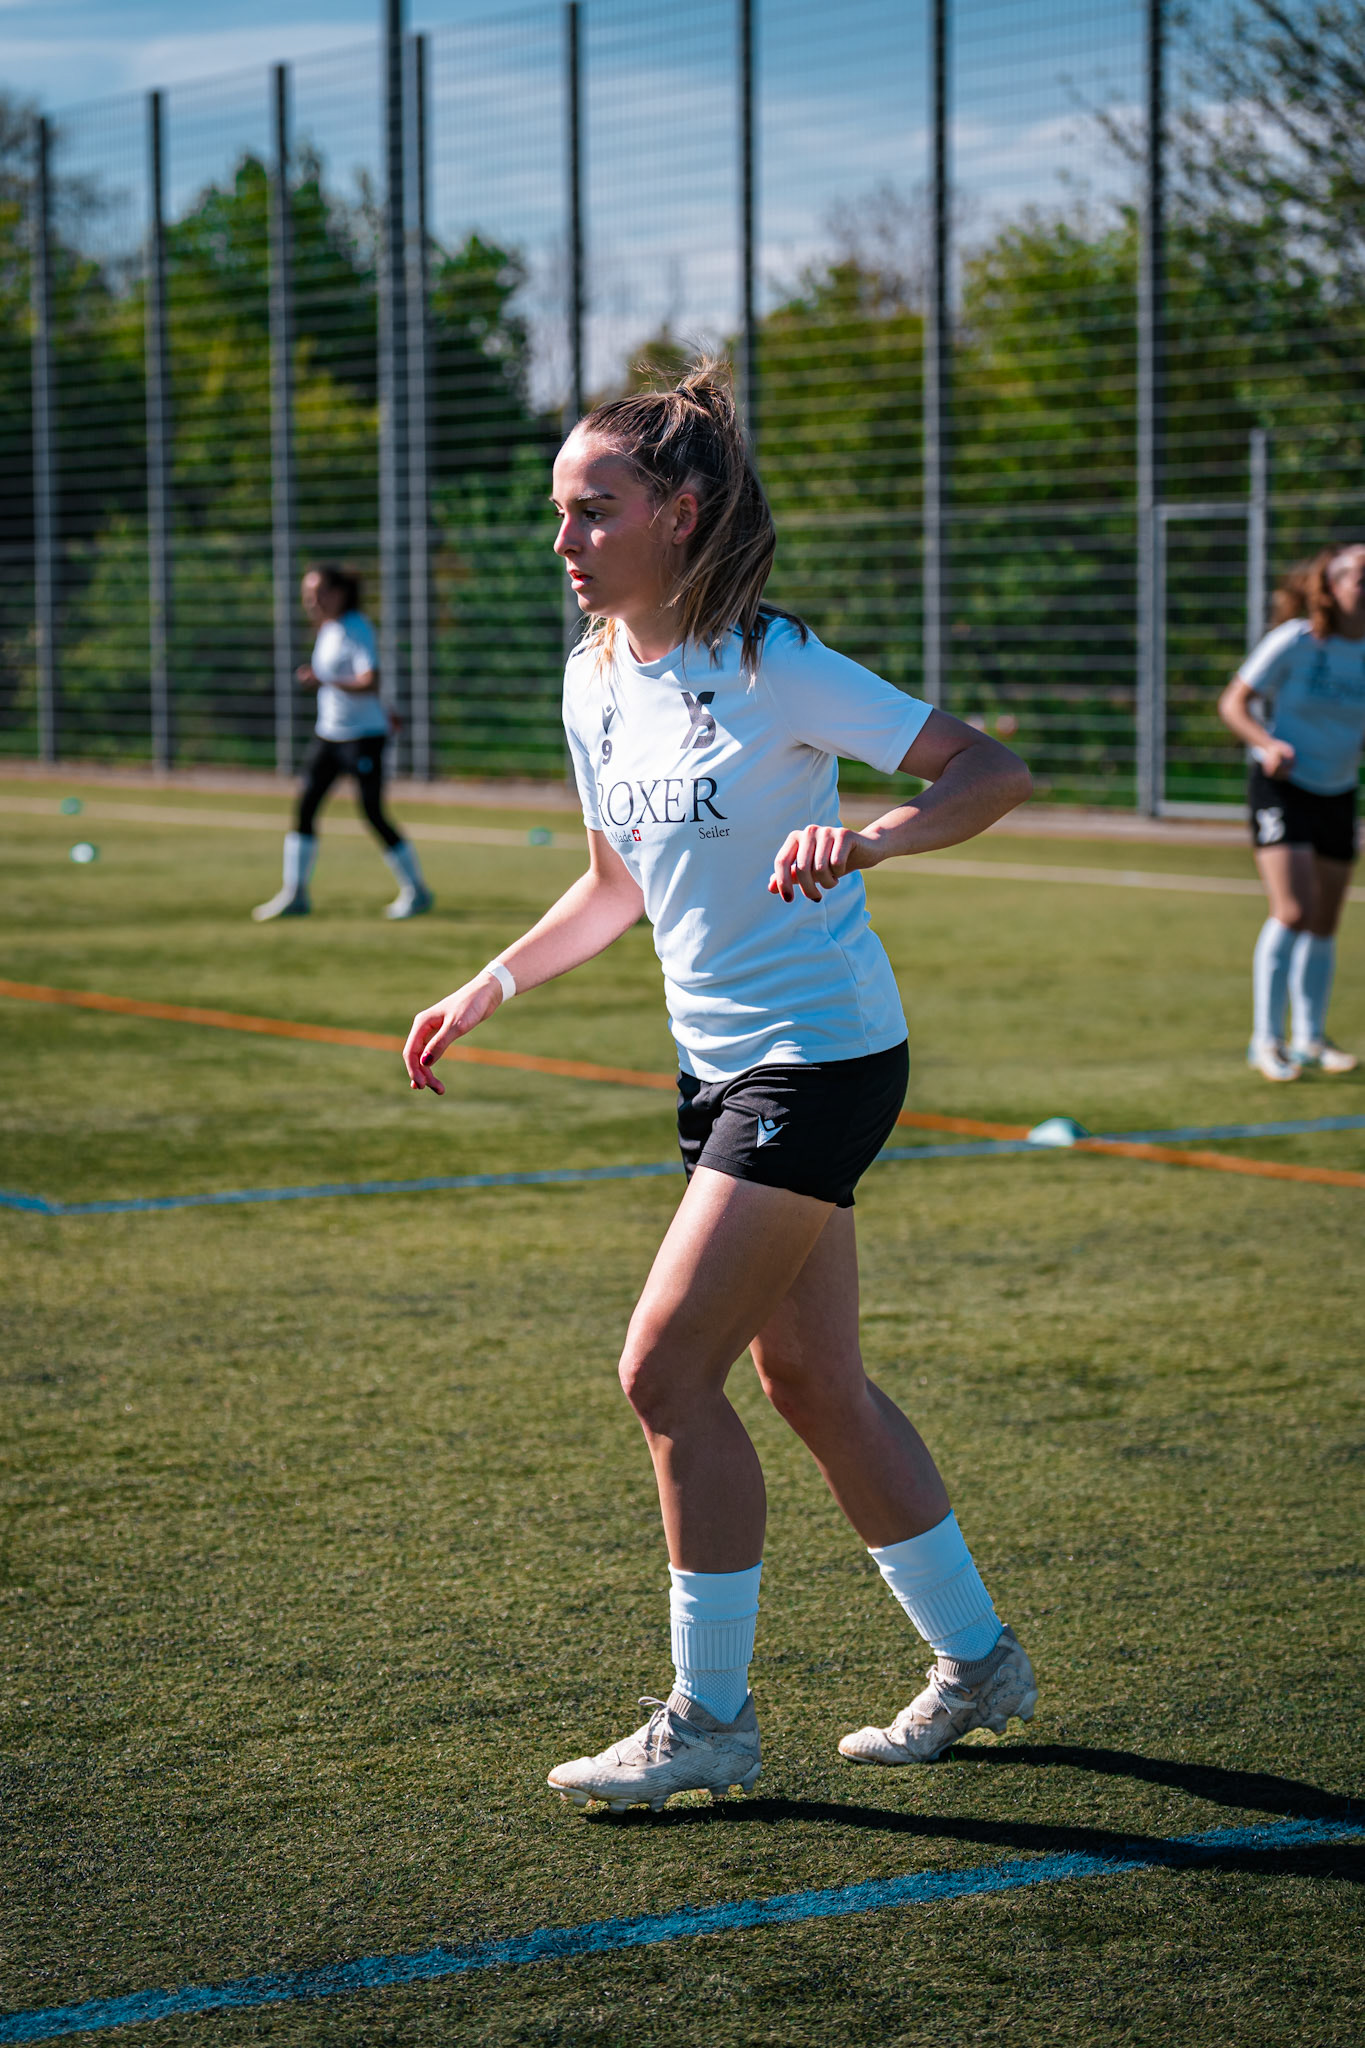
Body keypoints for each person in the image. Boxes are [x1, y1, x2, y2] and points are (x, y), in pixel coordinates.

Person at [402, 367, 1035, 1812]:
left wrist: (868, 840)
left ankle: (708, 1719)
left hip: (819, 1055)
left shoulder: (773, 663)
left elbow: (987, 770)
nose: (563, 541)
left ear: (680, 514)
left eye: (594, 511)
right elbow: (612, 886)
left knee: (663, 1373)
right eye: (560, 512)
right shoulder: (592, 680)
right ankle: (980, 1663)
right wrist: (488, 985)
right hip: (716, 1064)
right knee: (807, 1378)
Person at [1218, 544, 1365, 1081]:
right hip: (1283, 787)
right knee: (1294, 910)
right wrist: (1267, 745)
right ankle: (1266, 1041)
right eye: (1361, 577)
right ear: (1332, 587)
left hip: (1338, 790)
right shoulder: (1295, 640)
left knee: (1325, 920)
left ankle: (1310, 1038)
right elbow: (1233, 703)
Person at [253, 565, 433, 922]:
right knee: (305, 808)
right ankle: (295, 893)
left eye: (317, 593)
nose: (311, 601)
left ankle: (417, 891)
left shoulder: (356, 627)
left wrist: (325, 680)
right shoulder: (328, 628)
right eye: (307, 594)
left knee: (372, 812)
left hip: (363, 737)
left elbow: (370, 680)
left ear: (338, 593)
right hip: (329, 734)